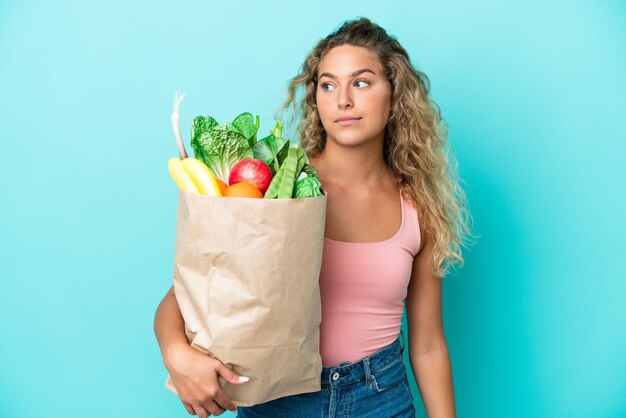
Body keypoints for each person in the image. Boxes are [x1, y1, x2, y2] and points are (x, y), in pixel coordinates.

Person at [154, 16, 474, 418]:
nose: (343, 99)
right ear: (315, 98)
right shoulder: (278, 189)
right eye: (328, 84)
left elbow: (427, 343)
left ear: (394, 95)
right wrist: (176, 354)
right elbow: (183, 297)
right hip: (277, 398)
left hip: (381, 397)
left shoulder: (418, 206)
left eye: (360, 82)